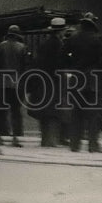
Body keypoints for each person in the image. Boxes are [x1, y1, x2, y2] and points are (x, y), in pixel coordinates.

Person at [66, 13, 102, 153]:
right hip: (91, 80)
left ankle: (74, 145)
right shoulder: (97, 39)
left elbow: (64, 56)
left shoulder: (73, 38)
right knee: (93, 114)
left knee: (76, 112)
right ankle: (93, 145)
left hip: (76, 79)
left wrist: (73, 66)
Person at [34, 17, 68, 148]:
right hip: (54, 81)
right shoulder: (59, 45)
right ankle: (51, 141)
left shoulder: (44, 44)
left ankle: (45, 139)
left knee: (45, 112)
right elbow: (59, 64)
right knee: (53, 112)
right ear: (60, 31)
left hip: (43, 81)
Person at [0, 25, 29, 147]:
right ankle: (16, 138)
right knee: (16, 111)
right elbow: (25, 67)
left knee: (1, 111)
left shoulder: (0, 47)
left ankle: (0, 137)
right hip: (16, 84)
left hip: (1, 83)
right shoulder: (22, 48)